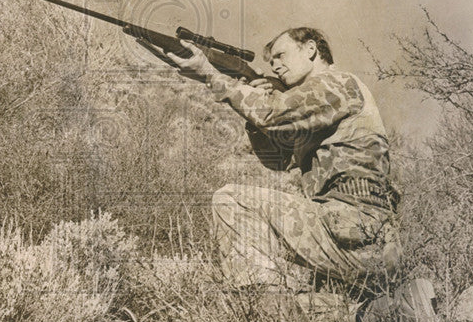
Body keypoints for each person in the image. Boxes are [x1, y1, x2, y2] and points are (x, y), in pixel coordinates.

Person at [165, 27, 402, 307]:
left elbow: (271, 114)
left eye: (281, 55)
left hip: (355, 224)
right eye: (272, 61)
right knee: (332, 312)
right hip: (363, 237)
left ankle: (265, 314)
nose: (275, 66)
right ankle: (378, 313)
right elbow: (277, 160)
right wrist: (255, 110)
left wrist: (210, 74)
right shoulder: (320, 110)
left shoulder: (337, 83)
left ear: (311, 49)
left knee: (232, 201)